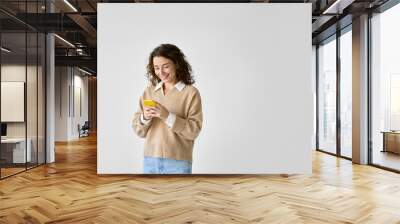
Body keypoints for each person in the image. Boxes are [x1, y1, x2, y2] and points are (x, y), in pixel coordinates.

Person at [132, 44, 203, 174]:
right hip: (150, 160)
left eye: (165, 66)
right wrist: (145, 118)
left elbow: (194, 131)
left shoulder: (190, 93)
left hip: (178, 162)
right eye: (157, 68)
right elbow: (139, 131)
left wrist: (167, 116)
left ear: (176, 64)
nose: (161, 72)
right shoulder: (149, 92)